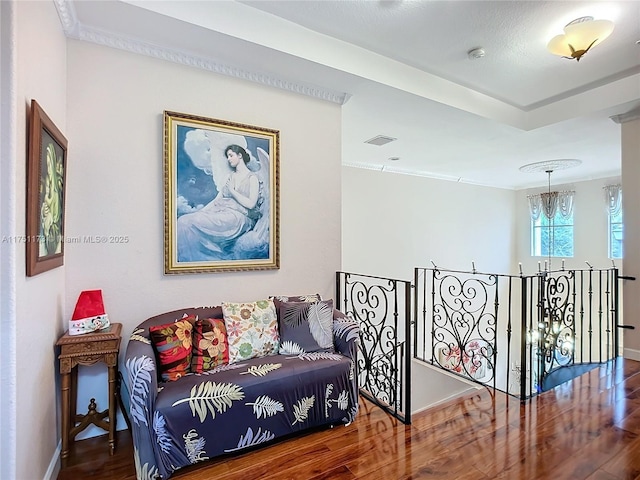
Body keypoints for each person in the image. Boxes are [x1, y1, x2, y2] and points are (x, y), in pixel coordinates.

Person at [177, 144, 262, 261]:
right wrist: (201, 212)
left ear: (240, 155)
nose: (229, 159)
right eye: (227, 156)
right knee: (184, 221)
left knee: (189, 222)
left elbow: (251, 204)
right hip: (221, 211)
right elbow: (217, 199)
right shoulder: (230, 177)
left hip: (238, 217)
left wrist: (232, 191)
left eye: (231, 155)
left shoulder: (252, 178)